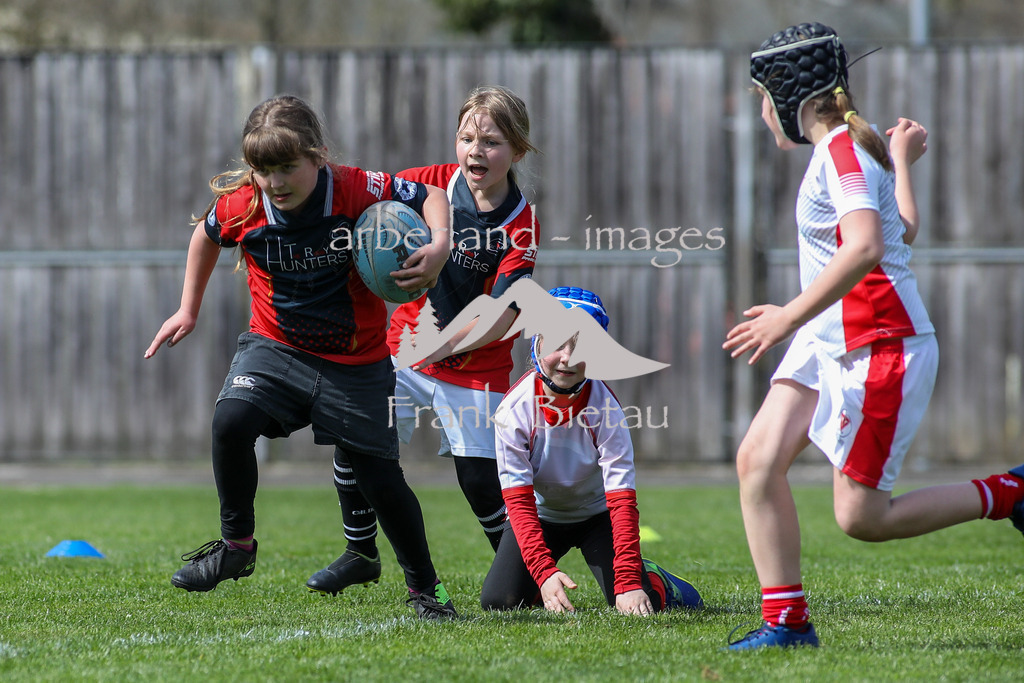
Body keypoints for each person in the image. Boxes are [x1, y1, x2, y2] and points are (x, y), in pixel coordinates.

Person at [723, 22, 1024, 649]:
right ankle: (787, 624)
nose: (761, 111)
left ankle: (1011, 491)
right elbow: (899, 230)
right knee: (757, 460)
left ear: (790, 94)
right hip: (831, 339)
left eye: (762, 97)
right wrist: (902, 164)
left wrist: (787, 316)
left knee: (861, 518)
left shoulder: (841, 151)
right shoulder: (848, 149)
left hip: (880, 346)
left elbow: (865, 247)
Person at [144, 94, 459, 619]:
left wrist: (441, 243)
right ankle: (236, 546)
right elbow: (206, 235)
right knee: (230, 421)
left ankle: (428, 591)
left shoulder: (354, 187)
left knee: (380, 480)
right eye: (263, 170)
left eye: (288, 167)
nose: (276, 182)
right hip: (276, 349)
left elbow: (431, 194)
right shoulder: (244, 204)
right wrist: (187, 309)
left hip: (355, 361)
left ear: (318, 156)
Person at [306, 85, 541, 595]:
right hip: (404, 353)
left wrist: (438, 347)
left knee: (480, 483)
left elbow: (501, 317)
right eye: (467, 138)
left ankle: (527, 579)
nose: (476, 150)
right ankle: (360, 553)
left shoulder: (520, 225)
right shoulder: (426, 185)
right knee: (356, 441)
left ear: (519, 151)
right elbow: (357, 199)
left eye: (492, 142)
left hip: (475, 369)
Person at [480, 287, 703, 615]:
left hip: (597, 516)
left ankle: (656, 579)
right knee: (499, 602)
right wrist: (544, 573)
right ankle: (543, 586)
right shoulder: (513, 410)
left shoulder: (606, 408)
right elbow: (519, 502)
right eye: (557, 344)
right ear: (537, 342)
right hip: (542, 516)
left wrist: (629, 580)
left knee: (636, 603)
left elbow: (622, 499)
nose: (567, 358)